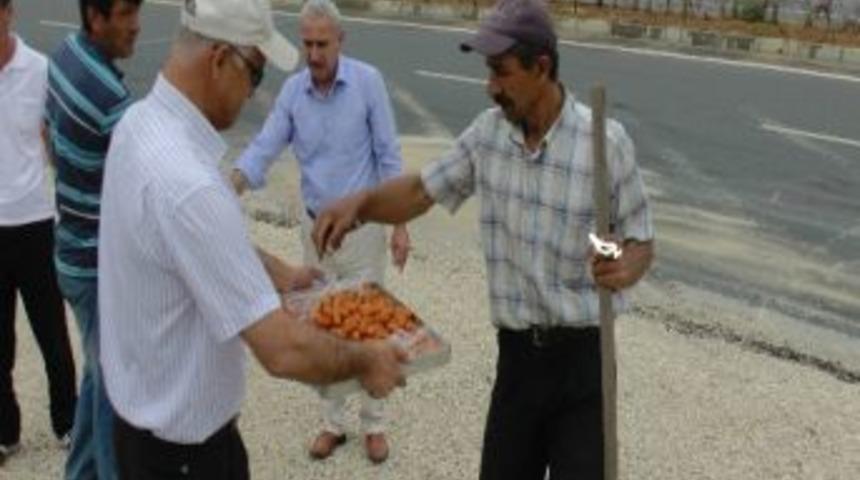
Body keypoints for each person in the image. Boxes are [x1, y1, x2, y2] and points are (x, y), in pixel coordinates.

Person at [311, 0, 655, 478]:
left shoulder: (604, 143)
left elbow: (639, 242)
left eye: (501, 72)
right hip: (517, 362)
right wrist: (361, 206)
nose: (490, 86)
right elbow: (420, 191)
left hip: (584, 363)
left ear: (542, 67)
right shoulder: (488, 136)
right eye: (488, 71)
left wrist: (623, 262)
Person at [98, 0, 406, 478]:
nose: (253, 93)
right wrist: (366, 359)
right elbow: (282, 349)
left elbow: (196, 247)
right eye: (256, 74)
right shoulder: (191, 186)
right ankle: (338, 420)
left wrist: (281, 273)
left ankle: (369, 425)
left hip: (143, 429)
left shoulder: (138, 124)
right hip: (186, 454)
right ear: (220, 59)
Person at [231, 0, 408, 464]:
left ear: (340, 41)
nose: (313, 54)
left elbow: (389, 155)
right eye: (307, 44)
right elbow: (265, 145)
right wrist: (233, 184)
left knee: (368, 324)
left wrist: (400, 224)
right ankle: (333, 422)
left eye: (322, 44)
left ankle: (375, 423)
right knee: (323, 325)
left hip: (362, 230)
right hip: (314, 232)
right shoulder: (293, 92)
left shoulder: (368, 83)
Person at [44, 0, 143, 477]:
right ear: (95, 18)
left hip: (68, 248)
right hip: (96, 267)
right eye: (125, 14)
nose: (136, 26)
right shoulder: (110, 100)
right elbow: (142, 191)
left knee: (97, 374)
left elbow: (46, 136)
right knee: (113, 398)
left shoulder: (64, 55)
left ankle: (79, 472)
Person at [0, 0, 77, 466]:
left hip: (35, 219)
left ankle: (68, 422)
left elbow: (55, 140)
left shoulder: (39, 69)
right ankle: (5, 432)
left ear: (9, 12)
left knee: (51, 331)